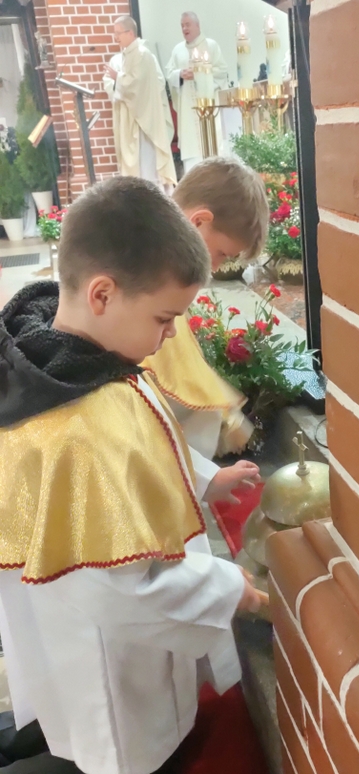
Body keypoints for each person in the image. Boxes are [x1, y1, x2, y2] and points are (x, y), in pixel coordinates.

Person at [0, 176, 262, 774]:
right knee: (120, 761)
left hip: (70, 633)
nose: (170, 335)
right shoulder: (74, 423)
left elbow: (140, 447)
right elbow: (122, 590)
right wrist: (231, 589)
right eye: (164, 318)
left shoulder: (65, 354)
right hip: (110, 662)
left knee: (67, 724)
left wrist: (204, 480)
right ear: (102, 293)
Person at [143, 157, 269, 459]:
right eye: (222, 253)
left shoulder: (164, 270)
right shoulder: (148, 282)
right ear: (198, 222)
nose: (216, 267)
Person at [103, 16, 176, 190]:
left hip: (143, 122)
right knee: (137, 170)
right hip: (128, 120)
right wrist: (116, 80)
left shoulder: (143, 54)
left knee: (147, 167)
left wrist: (117, 77)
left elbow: (136, 85)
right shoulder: (124, 56)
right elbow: (114, 83)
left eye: (118, 33)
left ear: (130, 33)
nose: (116, 37)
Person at [166, 13, 228, 174]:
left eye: (187, 24)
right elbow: (169, 73)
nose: (184, 28)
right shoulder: (178, 50)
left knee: (213, 151)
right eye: (182, 25)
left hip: (209, 106)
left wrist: (200, 73)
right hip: (189, 109)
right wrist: (180, 74)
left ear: (197, 25)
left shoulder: (211, 46)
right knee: (193, 156)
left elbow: (222, 71)